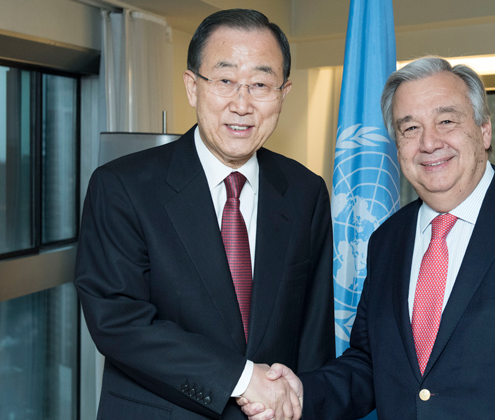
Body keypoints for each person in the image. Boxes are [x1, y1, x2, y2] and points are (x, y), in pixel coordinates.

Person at [241, 57, 495, 419]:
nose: (428, 143)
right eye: (410, 128)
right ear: (397, 146)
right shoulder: (387, 241)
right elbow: (370, 365)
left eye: (446, 121)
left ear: (484, 129)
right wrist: (301, 393)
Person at [75, 9, 335, 420]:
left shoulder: (305, 191)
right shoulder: (123, 186)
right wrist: (242, 377)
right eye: (226, 80)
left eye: (261, 84)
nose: (242, 104)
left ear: (283, 94)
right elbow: (118, 319)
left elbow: (313, 334)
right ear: (193, 87)